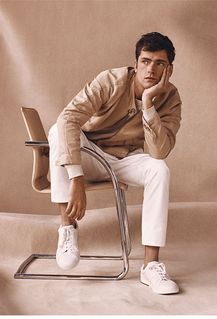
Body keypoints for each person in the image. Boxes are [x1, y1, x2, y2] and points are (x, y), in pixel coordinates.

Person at [48, 32, 182, 295]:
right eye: (145, 61)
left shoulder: (171, 98)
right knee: (57, 129)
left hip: (124, 158)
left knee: (159, 170)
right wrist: (77, 179)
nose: (151, 69)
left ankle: (151, 266)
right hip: (88, 155)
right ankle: (67, 229)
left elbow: (159, 151)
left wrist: (148, 104)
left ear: (169, 69)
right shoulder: (110, 80)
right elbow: (68, 119)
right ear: (136, 62)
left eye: (159, 63)